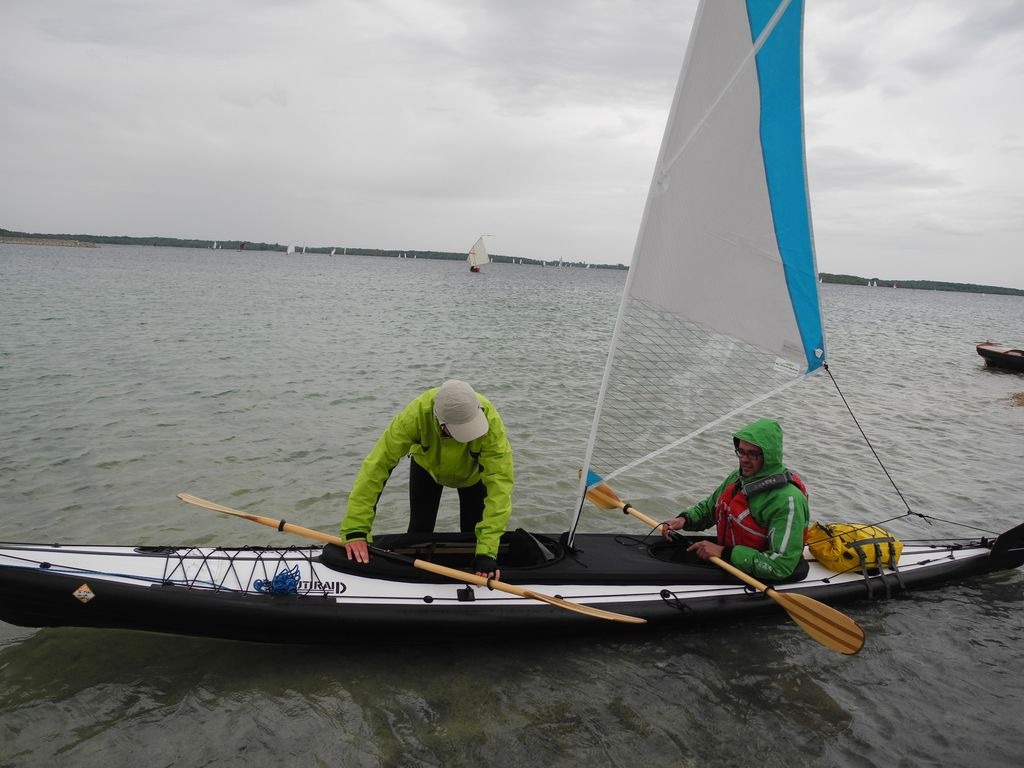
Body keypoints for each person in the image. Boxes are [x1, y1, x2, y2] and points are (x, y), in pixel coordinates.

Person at [340, 379, 513, 579]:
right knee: (419, 531)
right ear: (440, 422)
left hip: (473, 476)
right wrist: (356, 529)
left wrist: (487, 552)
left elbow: (500, 485)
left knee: (473, 538)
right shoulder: (414, 416)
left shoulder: (490, 421)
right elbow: (375, 468)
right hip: (427, 468)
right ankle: (412, 582)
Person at [660, 418, 809, 581]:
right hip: (730, 560)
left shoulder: (787, 500)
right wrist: (683, 520)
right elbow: (709, 509)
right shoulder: (737, 478)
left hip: (761, 575)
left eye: (752, 454)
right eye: (741, 451)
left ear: (769, 456)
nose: (744, 459)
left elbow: (780, 566)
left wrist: (724, 552)